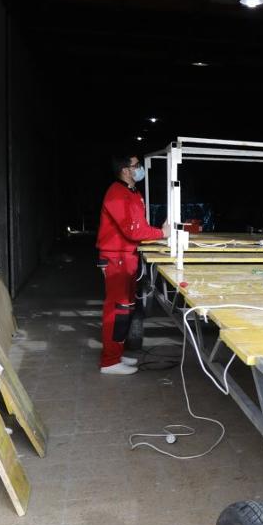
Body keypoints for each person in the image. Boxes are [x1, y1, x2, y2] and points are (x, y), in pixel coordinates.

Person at [96, 155, 166, 375]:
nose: (140, 169)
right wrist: (161, 234)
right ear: (125, 170)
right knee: (117, 310)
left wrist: (156, 234)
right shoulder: (116, 194)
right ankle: (109, 362)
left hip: (127, 255)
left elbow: (139, 226)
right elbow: (133, 230)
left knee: (125, 308)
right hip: (116, 257)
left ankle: (115, 355)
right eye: (136, 166)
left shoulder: (132, 193)